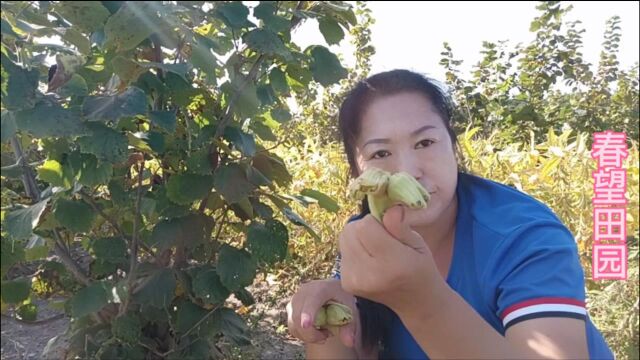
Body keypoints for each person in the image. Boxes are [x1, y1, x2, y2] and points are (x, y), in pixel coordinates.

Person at [286, 69, 614, 359]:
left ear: (453, 145)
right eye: (381, 153)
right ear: (358, 173)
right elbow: (356, 343)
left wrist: (421, 301)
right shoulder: (364, 234)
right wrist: (326, 315)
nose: (408, 171)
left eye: (425, 143)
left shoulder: (525, 236)